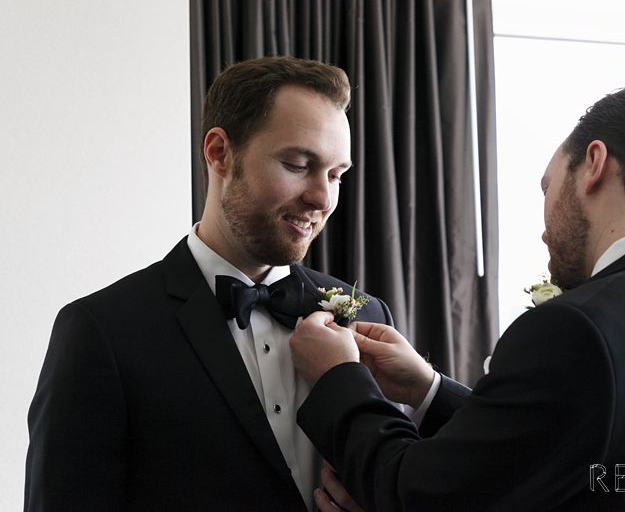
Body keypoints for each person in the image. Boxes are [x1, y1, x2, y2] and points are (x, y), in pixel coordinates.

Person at [290, 88, 625, 511]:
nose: (543, 228)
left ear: (594, 165)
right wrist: (429, 389)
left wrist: (339, 378)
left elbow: (418, 496)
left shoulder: (578, 326)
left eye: (548, 185)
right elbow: (570, 459)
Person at [25, 56, 394, 511]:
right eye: (299, 164)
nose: (322, 197)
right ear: (219, 153)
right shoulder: (102, 332)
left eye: (336, 175)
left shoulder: (368, 317)